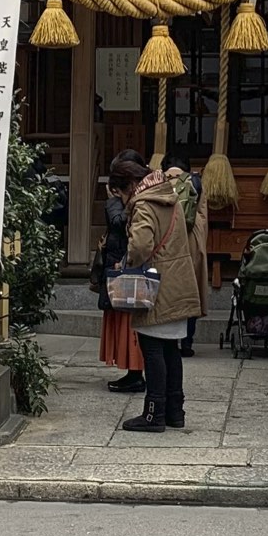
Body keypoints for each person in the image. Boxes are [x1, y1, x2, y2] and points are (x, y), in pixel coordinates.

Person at [120, 166, 204, 433]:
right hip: (179, 281)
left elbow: (141, 246)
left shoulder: (145, 204)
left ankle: (153, 413)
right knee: (171, 350)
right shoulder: (171, 196)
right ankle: (174, 412)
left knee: (153, 349)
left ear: (130, 185)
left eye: (121, 192)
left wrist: (128, 262)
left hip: (155, 287)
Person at [97, 151, 147, 392]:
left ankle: (136, 373)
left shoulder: (135, 201)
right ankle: (132, 371)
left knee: (131, 322)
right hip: (121, 262)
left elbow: (122, 225)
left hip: (129, 266)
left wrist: (117, 201)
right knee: (124, 321)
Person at [166, 157, 206, 356]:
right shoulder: (196, 183)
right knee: (190, 293)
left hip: (165, 246)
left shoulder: (158, 181)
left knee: (167, 292)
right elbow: (202, 217)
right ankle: (187, 343)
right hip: (191, 244)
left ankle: (166, 339)